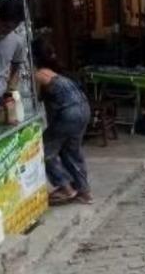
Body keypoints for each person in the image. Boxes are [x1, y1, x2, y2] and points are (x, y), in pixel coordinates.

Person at [32, 38, 93, 205]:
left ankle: (66, 188)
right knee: (72, 151)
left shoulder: (39, 75)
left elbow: (34, 99)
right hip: (84, 109)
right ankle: (84, 192)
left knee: (44, 150)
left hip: (69, 114)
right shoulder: (59, 72)